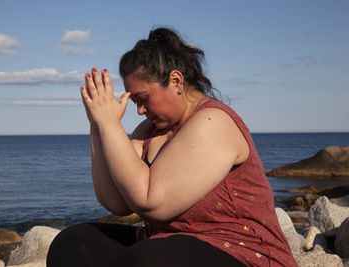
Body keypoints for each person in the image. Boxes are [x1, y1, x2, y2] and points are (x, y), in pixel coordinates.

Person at [47, 27, 297, 267]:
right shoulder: (147, 132)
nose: (140, 110)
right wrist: (98, 124)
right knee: (74, 242)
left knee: (147, 261)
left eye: (143, 99)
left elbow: (150, 201)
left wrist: (111, 125)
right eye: (133, 101)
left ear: (176, 80)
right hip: (163, 243)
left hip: (239, 250)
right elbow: (116, 201)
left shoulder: (214, 122)